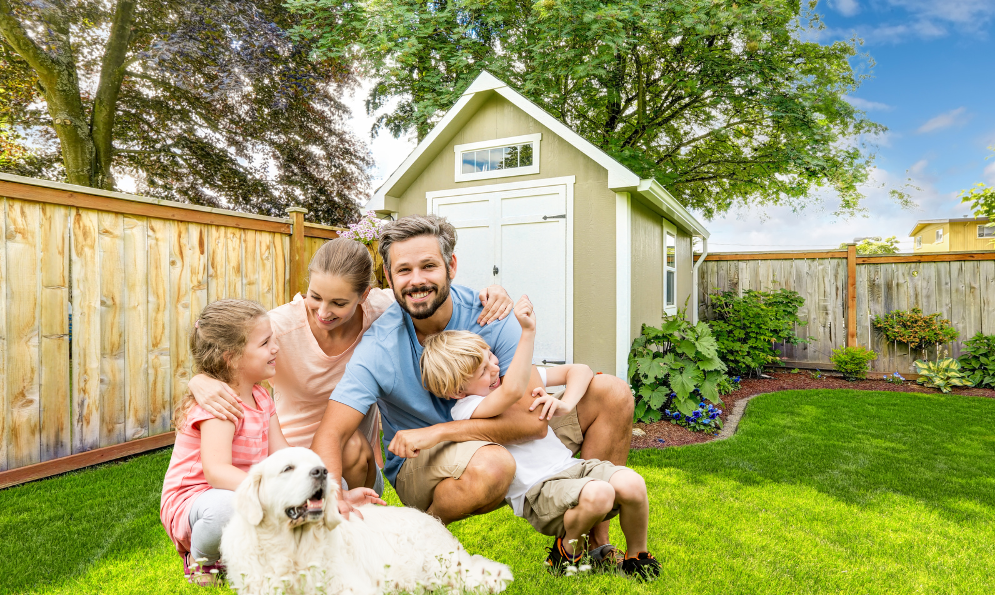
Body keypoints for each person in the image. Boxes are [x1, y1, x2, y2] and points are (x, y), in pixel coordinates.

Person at [311, 214, 635, 567]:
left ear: (451, 266)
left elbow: (532, 425)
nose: (416, 280)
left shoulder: (492, 316)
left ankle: (591, 543)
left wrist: (437, 432)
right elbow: (331, 433)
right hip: (425, 463)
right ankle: (422, 542)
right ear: (388, 277)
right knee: (493, 463)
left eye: (428, 266)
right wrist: (332, 494)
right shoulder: (379, 346)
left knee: (612, 392)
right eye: (403, 270)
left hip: (484, 435)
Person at [186, 238, 512, 505]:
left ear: (363, 296)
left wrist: (494, 292)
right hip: (288, 456)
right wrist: (198, 379)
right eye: (315, 297)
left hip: (354, 462)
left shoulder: (381, 312)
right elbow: (222, 347)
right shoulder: (279, 328)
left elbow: (426, 291)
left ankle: (349, 521)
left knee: (353, 444)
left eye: (339, 303)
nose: (323, 312)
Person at [418, 296, 661, 579]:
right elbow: (510, 391)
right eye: (483, 371)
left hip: (571, 467)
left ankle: (637, 558)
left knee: (633, 483)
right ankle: (567, 553)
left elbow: (579, 371)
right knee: (600, 493)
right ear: (458, 391)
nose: (495, 368)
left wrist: (566, 403)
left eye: (491, 357)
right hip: (538, 491)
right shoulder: (467, 409)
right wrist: (527, 333)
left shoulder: (505, 380)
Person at [159, 299, 386, 586]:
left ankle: (257, 549)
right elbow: (216, 472)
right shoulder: (220, 406)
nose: (275, 348)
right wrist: (268, 494)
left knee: (325, 484)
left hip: (240, 489)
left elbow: (284, 454)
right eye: (266, 343)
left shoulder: (261, 397)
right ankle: (203, 562)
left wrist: (331, 495)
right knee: (228, 508)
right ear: (233, 357)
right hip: (198, 500)